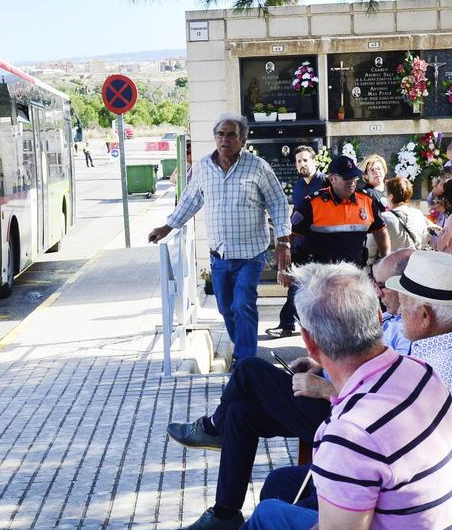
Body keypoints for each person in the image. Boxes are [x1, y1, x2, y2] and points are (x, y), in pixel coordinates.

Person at [136, 262, 452, 530]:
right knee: (266, 518)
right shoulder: (417, 373)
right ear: (376, 318)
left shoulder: (350, 432)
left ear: (309, 341)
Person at [165, 249, 415, 530]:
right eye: (375, 282)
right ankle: (225, 513)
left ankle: (212, 429)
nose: (376, 290)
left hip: (343, 418)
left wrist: (324, 388)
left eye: (382, 285)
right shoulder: (391, 317)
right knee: (241, 413)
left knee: (249, 369)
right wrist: (320, 365)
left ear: (403, 285)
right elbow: (361, 359)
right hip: (329, 401)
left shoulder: (409, 333)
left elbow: (387, 395)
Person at [259, 250, 452, 512]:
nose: (398, 310)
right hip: (393, 483)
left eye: (405, 303)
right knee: (280, 485)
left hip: (406, 510)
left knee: (270, 515)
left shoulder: (451, 374)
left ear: (424, 316)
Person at [149, 114, 291, 368]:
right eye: (220, 134)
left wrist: (284, 240)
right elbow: (191, 200)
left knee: (243, 303)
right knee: (226, 309)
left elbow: (278, 202)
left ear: (243, 140)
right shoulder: (203, 167)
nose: (225, 139)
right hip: (219, 255)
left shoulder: (257, 167)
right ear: (215, 138)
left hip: (250, 253)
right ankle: (243, 348)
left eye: (231, 134)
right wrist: (167, 227)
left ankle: (245, 359)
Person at [267, 145, 326, 339]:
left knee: (301, 285)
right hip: (301, 243)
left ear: (314, 161)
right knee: (297, 283)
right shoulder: (299, 186)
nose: (302, 164)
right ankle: (289, 324)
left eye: (306, 160)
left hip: (321, 243)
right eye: (299, 161)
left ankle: (289, 324)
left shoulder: (325, 183)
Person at [291, 154, 389, 270]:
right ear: (332, 179)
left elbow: (380, 231)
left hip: (355, 274)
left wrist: (385, 260)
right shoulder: (311, 203)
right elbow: (294, 236)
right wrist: (292, 269)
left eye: (354, 177)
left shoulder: (367, 201)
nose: (351, 182)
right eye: (346, 178)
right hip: (321, 276)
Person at [380, 176, 432, 250]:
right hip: (413, 259)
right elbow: (424, 241)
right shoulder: (418, 214)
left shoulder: (383, 218)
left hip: (391, 260)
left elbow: (372, 246)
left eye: (386, 194)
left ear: (391, 197)